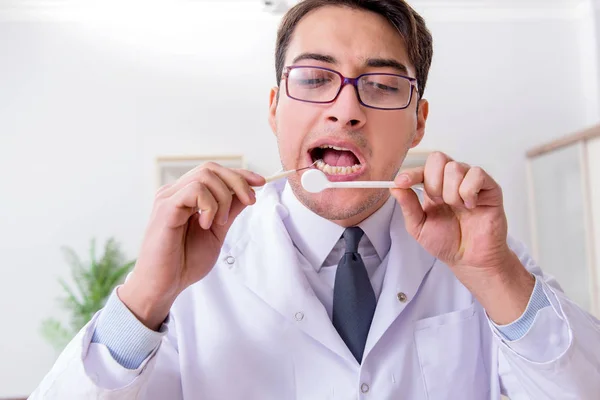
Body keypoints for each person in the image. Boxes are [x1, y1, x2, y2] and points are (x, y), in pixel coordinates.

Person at [31, 0, 600, 399]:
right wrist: (143, 299)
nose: (346, 108)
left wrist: (494, 275)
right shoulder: (187, 280)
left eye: (381, 85)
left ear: (418, 122)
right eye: (313, 78)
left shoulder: (488, 257)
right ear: (276, 107)